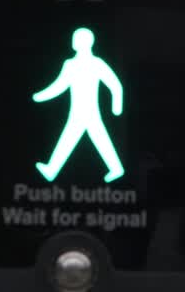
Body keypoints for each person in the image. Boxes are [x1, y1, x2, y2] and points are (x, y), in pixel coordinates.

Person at [33, 28, 124, 183]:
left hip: (87, 113)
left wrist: (117, 106)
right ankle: (115, 168)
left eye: (78, 39)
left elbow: (115, 85)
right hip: (79, 113)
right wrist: (40, 96)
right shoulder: (71, 64)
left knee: (85, 138)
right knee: (87, 138)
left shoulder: (96, 63)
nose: (75, 41)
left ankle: (52, 169)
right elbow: (59, 86)